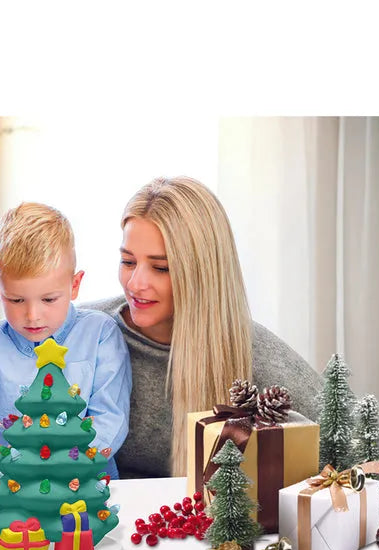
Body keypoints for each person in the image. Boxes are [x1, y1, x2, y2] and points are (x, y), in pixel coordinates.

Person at [83, 176, 323, 479]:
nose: (135, 283)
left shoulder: (252, 351)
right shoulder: (80, 330)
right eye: (128, 261)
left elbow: (366, 448)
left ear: (202, 272)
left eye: (161, 268)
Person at [0, 202, 132, 483]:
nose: (32, 316)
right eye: (16, 300)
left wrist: (72, 464)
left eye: (49, 299)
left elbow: (110, 419)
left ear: (74, 285)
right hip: (10, 494)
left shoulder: (101, 334)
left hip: (86, 494)